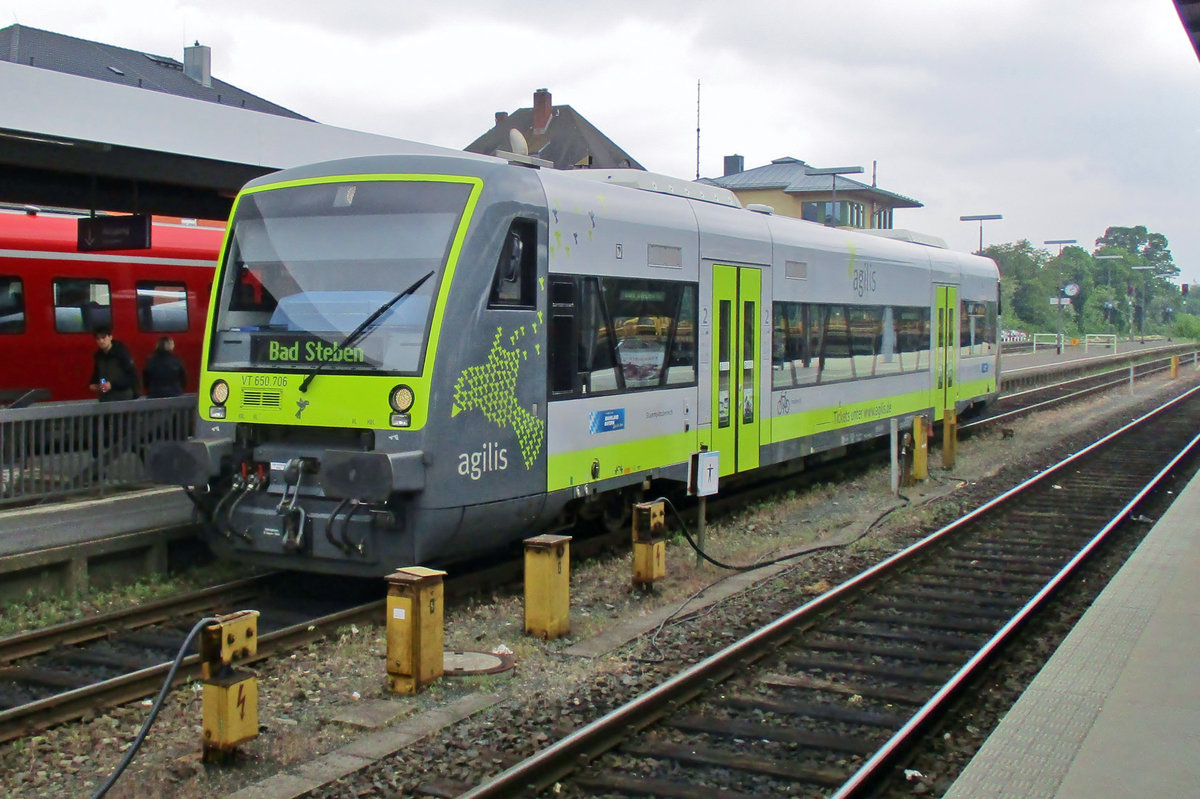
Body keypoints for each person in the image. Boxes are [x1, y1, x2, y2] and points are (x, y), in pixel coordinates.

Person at [88, 326, 139, 402]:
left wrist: (112, 385)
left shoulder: (121, 353)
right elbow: (97, 374)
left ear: (110, 337)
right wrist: (93, 384)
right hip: (106, 397)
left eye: (103, 337)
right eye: (98, 339)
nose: (101, 341)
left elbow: (131, 376)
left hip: (123, 398)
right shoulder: (98, 356)